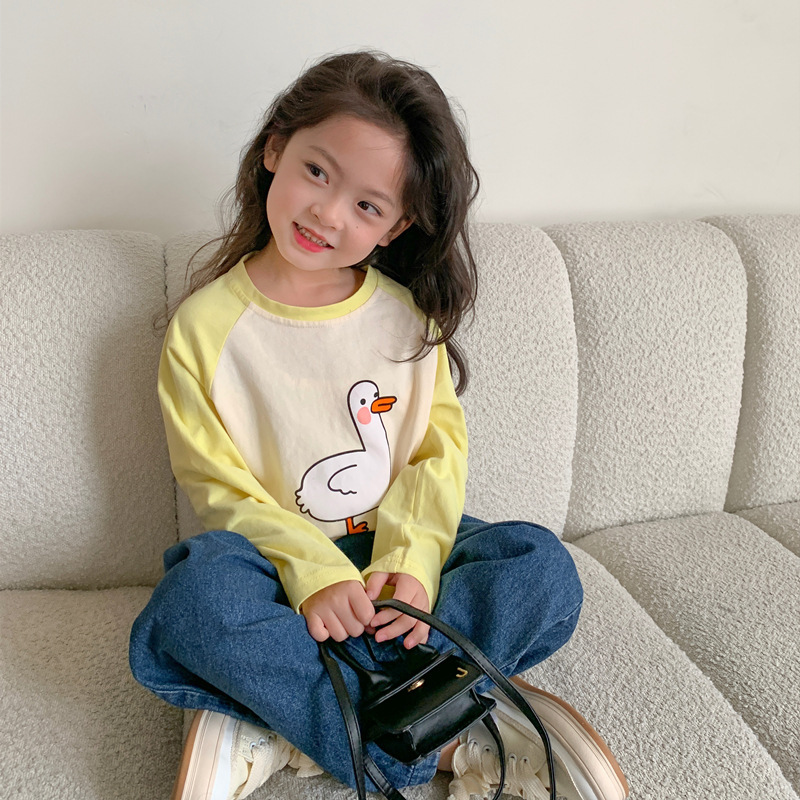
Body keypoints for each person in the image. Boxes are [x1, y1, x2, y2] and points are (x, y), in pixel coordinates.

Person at [129, 50, 626, 800]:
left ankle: (297, 720)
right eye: (317, 172)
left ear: (399, 226)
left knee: (541, 568)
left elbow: (434, 455)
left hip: (398, 564)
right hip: (274, 568)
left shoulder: (405, 321)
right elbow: (219, 485)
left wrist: (413, 566)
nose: (328, 213)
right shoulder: (203, 329)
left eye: (367, 206)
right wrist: (313, 574)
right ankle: (441, 729)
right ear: (274, 149)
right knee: (192, 603)